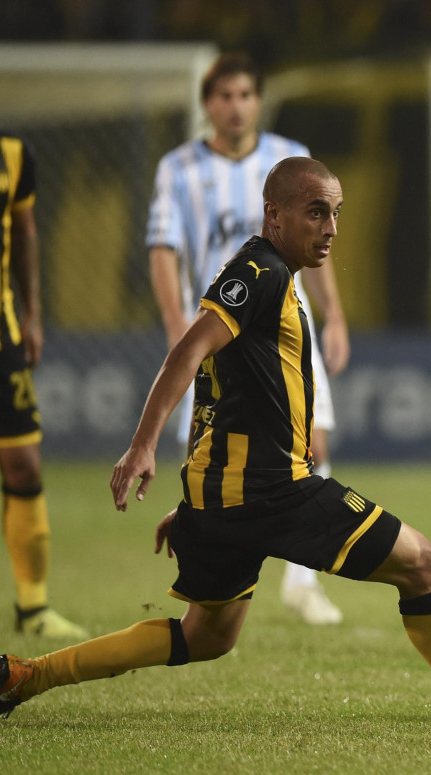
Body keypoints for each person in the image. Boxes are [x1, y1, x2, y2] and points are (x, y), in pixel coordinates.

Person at [0, 157, 431, 737]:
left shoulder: (274, 277)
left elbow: (219, 392)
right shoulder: (258, 273)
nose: (331, 228)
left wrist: (197, 499)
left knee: (207, 637)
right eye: (316, 211)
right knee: (424, 564)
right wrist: (141, 447)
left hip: (225, 499)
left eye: (337, 212)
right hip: (273, 491)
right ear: (275, 215)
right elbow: (187, 351)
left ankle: (29, 676)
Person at [146, 52, 348, 625]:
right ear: (207, 103)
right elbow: (164, 250)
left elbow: (318, 241)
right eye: (224, 96)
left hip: (287, 321)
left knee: (315, 441)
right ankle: (217, 556)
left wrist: (334, 314)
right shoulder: (178, 168)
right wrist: (174, 322)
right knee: (215, 443)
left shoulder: (287, 158)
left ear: (258, 101)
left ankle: (303, 581)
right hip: (222, 327)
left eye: (245, 95)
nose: (235, 107)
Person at [0, 42, 87, 641]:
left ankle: (33, 607)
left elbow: (26, 232)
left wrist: (34, 313)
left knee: (23, 463)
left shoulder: (14, 155)